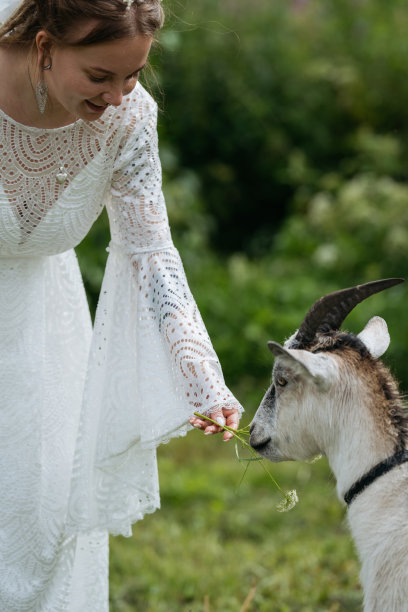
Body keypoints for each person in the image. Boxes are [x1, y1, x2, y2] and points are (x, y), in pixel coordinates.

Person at [0, 0, 243, 609]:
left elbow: (150, 251)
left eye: (132, 75)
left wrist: (199, 375)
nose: (117, 95)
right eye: (100, 76)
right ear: (45, 46)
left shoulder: (128, 121)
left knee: (37, 521)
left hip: (41, 339)